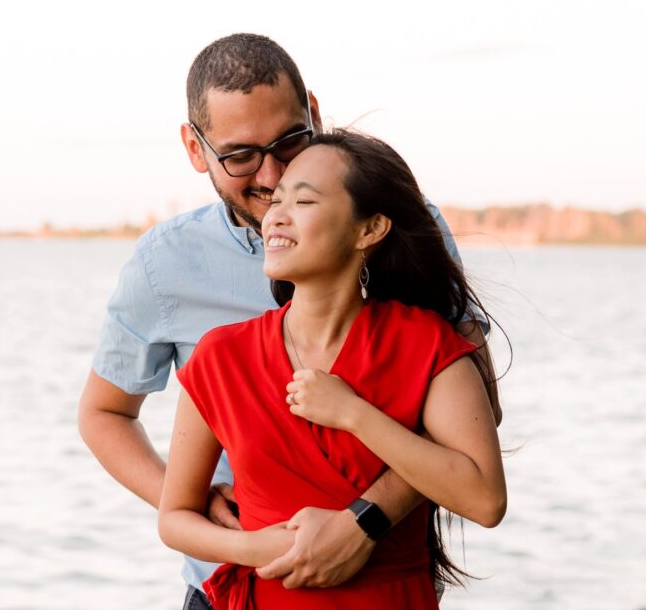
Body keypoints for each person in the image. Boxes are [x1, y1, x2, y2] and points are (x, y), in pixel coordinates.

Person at [77, 34, 499, 609]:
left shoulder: (398, 222)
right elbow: (105, 414)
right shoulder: (164, 266)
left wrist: (363, 522)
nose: (273, 176)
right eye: (241, 155)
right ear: (196, 149)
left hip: (384, 582)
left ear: (315, 115)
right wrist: (198, 506)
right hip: (232, 586)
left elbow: (477, 412)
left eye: (291, 141)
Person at [158, 130, 507, 608]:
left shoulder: (429, 346)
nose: (276, 215)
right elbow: (174, 516)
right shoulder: (221, 356)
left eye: (303, 201)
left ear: (369, 229)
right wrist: (254, 546)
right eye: (277, 200)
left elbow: (485, 500)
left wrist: (355, 415)